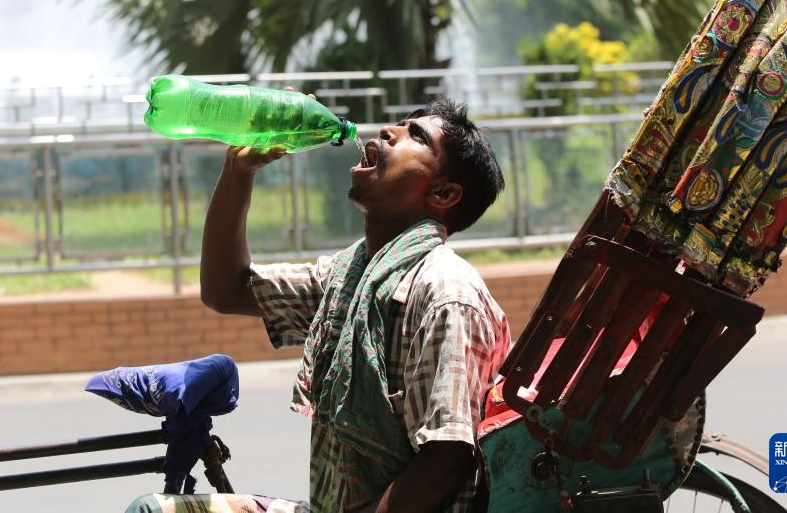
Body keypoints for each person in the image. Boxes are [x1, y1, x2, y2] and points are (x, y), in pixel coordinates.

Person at [130, 97, 510, 513]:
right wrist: (239, 170)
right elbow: (226, 289)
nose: (389, 131)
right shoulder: (350, 276)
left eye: (416, 136)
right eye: (400, 123)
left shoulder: (446, 293)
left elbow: (446, 456)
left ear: (443, 193)